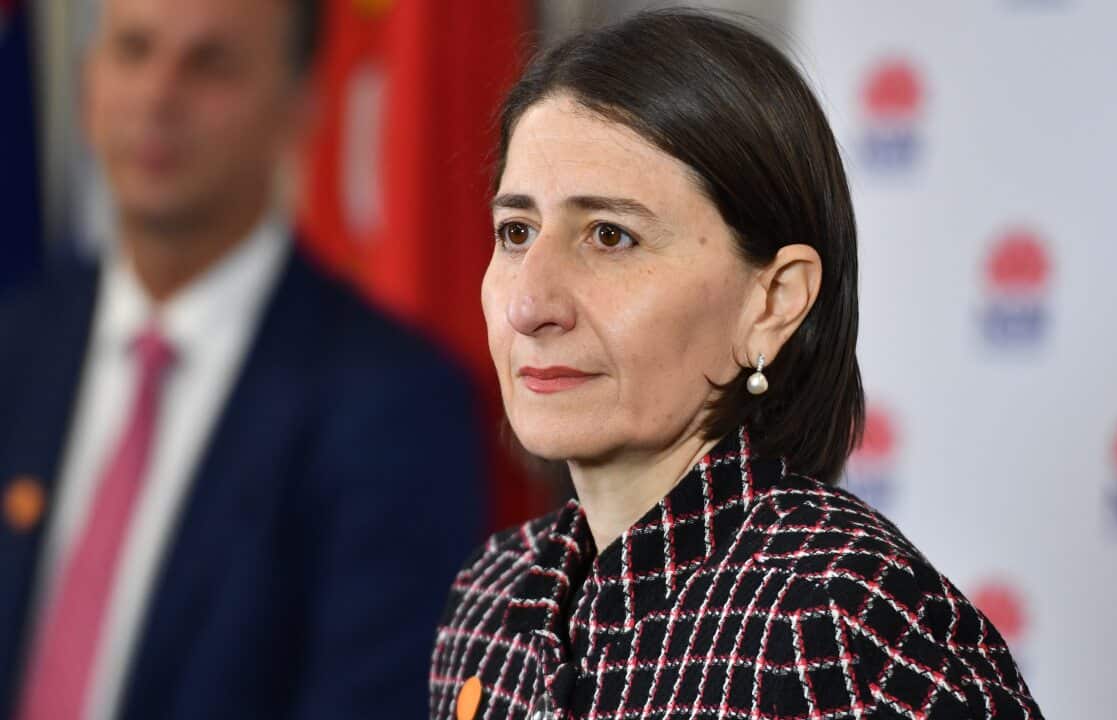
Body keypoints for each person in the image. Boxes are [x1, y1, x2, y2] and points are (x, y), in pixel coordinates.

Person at [429, 10, 1043, 719]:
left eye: (609, 235)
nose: (529, 304)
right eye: (516, 231)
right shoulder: (492, 600)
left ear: (773, 301)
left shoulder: (847, 629)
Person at [0, 0, 484, 718]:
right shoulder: (15, 348)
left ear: (298, 109)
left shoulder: (400, 408)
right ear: (88, 82)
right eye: (133, 50)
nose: (159, 96)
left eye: (210, 65)